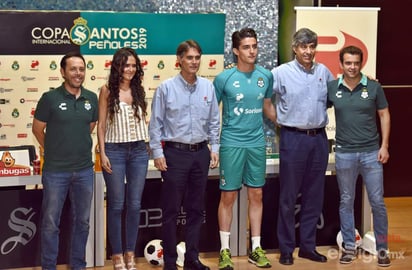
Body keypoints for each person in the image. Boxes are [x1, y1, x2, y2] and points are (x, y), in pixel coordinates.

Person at [148, 40, 220, 270]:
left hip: (200, 153)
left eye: (197, 57)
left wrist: (215, 148)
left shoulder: (208, 87)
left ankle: (191, 259)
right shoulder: (166, 88)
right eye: (189, 58)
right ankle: (170, 261)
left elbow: (214, 122)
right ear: (179, 60)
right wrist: (157, 152)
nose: (194, 62)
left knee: (196, 211)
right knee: (170, 210)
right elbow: (155, 125)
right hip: (174, 155)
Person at [213, 28, 276, 270]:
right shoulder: (223, 79)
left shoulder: (266, 76)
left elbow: (268, 107)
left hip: (257, 143)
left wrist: (288, 123)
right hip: (231, 143)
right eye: (247, 47)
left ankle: (256, 248)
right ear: (236, 51)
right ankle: (224, 251)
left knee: (256, 195)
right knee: (228, 196)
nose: (252, 51)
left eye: (255, 46)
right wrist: (212, 144)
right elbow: (211, 113)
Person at [271, 28, 334, 265]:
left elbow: (335, 97)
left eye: (312, 47)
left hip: (318, 139)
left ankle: (308, 246)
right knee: (288, 196)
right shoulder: (280, 73)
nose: (308, 51)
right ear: (295, 48)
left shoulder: (324, 72)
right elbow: (266, 99)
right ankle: (286, 248)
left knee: (314, 196)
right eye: (303, 47)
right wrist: (280, 120)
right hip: (293, 139)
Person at [32, 51, 98, 270]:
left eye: (81, 69)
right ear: (62, 72)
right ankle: (49, 266)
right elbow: (38, 129)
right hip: (55, 171)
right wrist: (53, 149)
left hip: (84, 171)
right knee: (51, 223)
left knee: (83, 222)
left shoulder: (91, 98)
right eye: (73, 69)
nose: (78, 73)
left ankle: (77, 265)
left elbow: (90, 126)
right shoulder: (49, 98)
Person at [327, 45, 391, 267]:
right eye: (348, 63)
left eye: (356, 63)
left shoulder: (373, 87)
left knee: (377, 202)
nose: (352, 67)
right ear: (341, 64)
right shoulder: (332, 87)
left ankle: (382, 248)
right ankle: (349, 247)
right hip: (344, 153)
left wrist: (384, 145)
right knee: (346, 201)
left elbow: (384, 114)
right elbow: (315, 108)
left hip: (372, 153)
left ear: (361, 63)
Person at [97, 47, 149, 270]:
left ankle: (131, 253)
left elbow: (142, 121)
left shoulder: (139, 90)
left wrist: (148, 147)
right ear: (117, 66)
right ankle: (117, 254)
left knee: (135, 205)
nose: (130, 69)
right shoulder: (107, 90)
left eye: (133, 65)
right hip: (114, 151)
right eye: (126, 65)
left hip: (138, 151)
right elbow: (101, 125)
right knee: (116, 205)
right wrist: (103, 152)